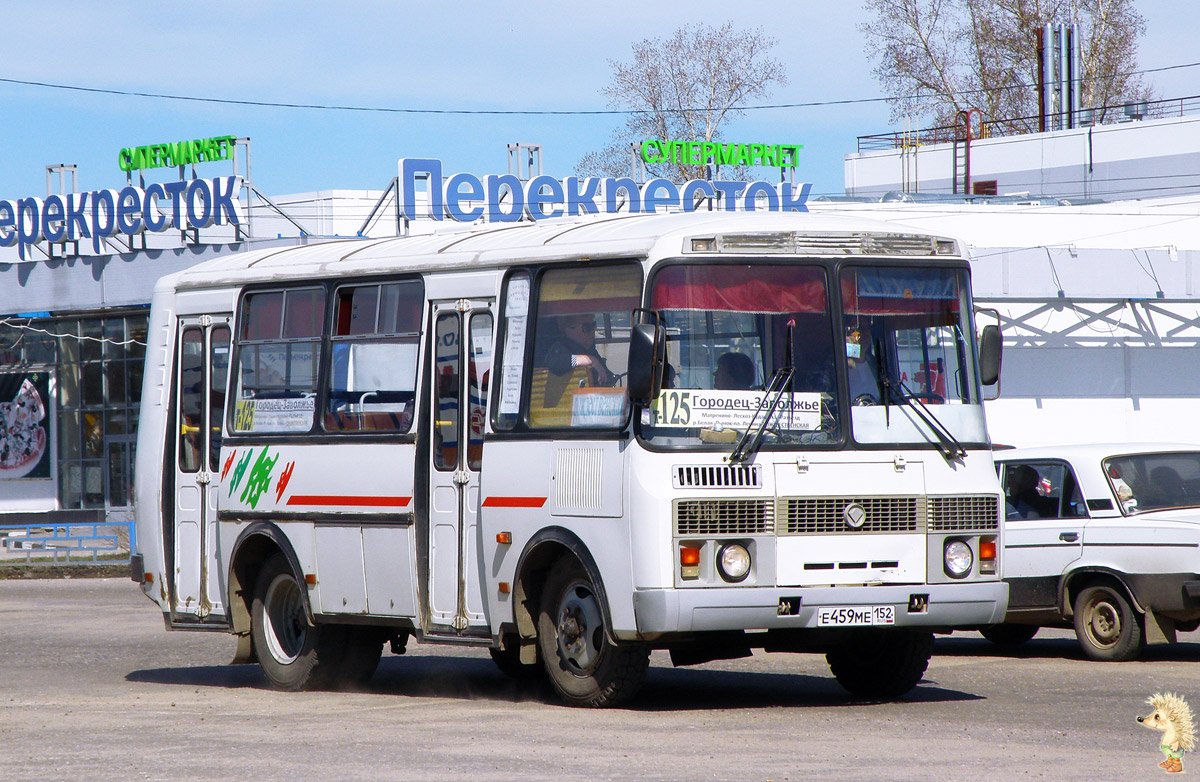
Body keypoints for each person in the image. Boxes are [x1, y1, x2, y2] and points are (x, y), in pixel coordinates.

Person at [541, 313, 616, 387]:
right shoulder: (561, 346)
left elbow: (608, 375)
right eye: (587, 328)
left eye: (593, 325)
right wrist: (588, 360)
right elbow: (555, 362)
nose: (592, 331)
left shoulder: (589, 350)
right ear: (569, 329)